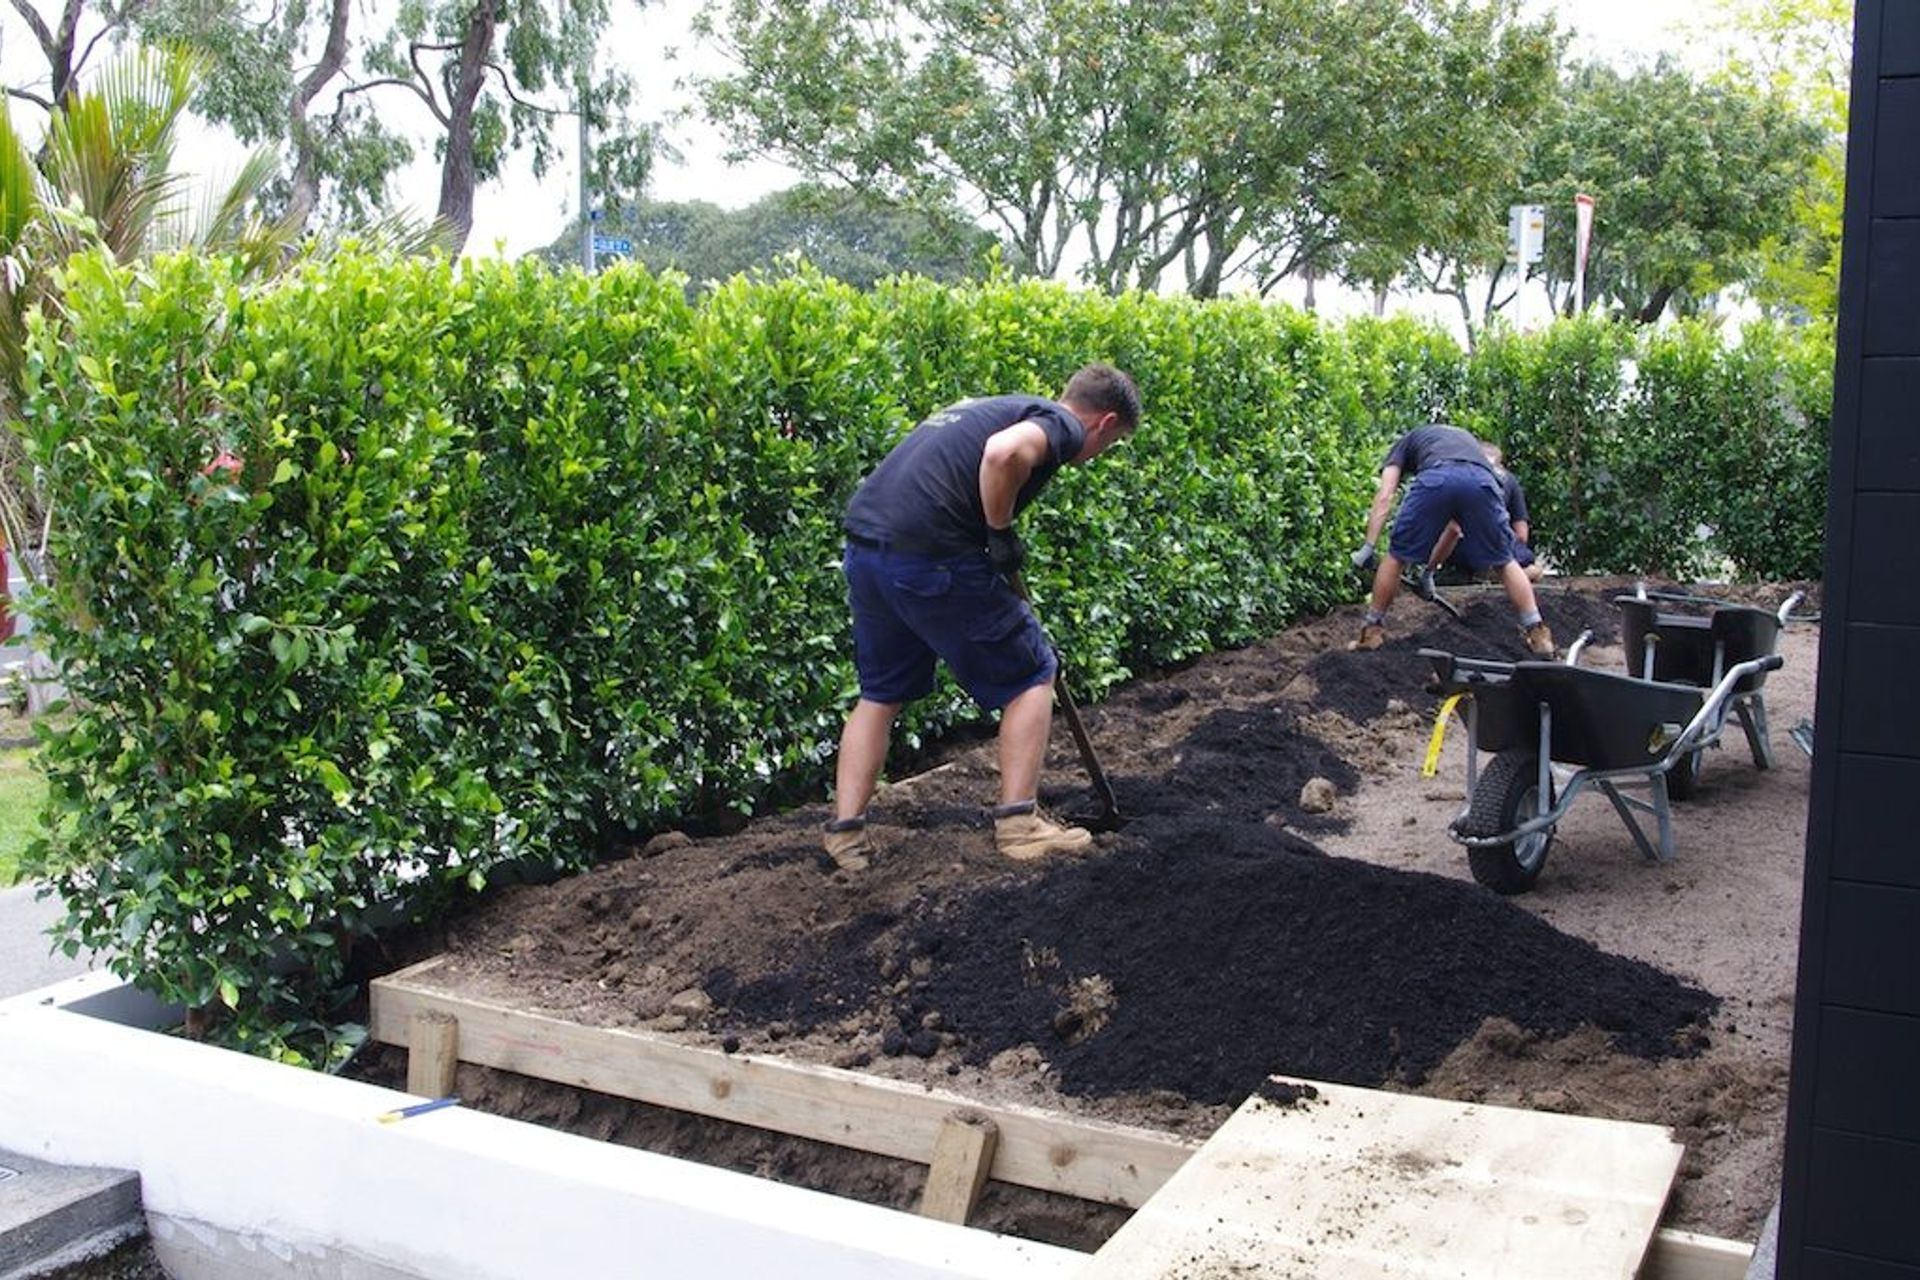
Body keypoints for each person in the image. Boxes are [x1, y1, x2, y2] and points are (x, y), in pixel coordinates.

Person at [823, 364, 1142, 871]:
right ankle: (1019, 826)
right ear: (1103, 424)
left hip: (868, 551)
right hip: (930, 555)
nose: (1100, 452)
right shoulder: (1060, 425)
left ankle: (845, 837)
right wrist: (999, 531)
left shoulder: (993, 405)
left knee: (880, 693)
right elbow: (1002, 454)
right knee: (1032, 672)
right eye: (1112, 442)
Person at [1349, 423, 1554, 656]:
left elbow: (1385, 496)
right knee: (1505, 560)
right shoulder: (1463, 442)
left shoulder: (1403, 445)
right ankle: (1538, 633)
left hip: (1437, 476)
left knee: (1396, 556)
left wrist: (1369, 545)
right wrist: (1428, 573)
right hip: (1483, 483)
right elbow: (1454, 529)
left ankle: (1372, 632)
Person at [1424, 442, 1545, 587]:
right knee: (1526, 560)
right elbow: (1522, 534)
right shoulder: (1509, 480)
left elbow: (1451, 529)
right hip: (1500, 546)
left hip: (1465, 549)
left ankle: (1487, 571)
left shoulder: (1457, 477)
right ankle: (1511, 573)